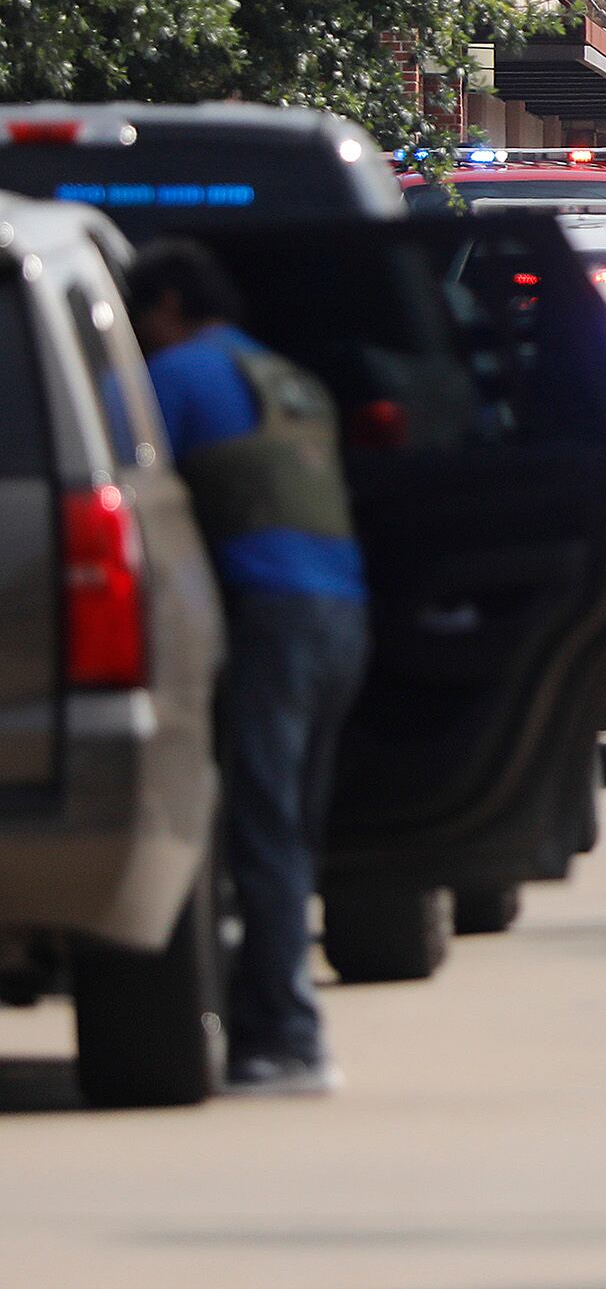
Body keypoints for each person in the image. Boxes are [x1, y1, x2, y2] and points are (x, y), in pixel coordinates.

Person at [125, 240, 367, 1098]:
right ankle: (273, 1021)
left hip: (268, 620)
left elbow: (127, 489)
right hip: (340, 616)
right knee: (289, 834)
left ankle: (286, 1042)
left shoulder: (176, 375)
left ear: (163, 310)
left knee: (262, 838)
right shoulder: (285, 378)